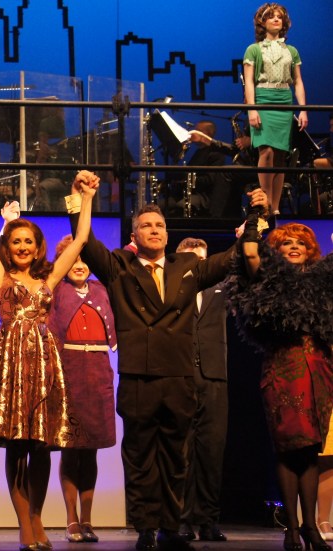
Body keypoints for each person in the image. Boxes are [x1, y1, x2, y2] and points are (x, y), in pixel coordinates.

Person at [66, 183, 268, 550]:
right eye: (146, 225)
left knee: (176, 458)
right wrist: (80, 198)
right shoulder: (119, 266)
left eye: (159, 225)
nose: (154, 230)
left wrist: (256, 216)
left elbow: (233, 258)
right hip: (139, 379)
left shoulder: (187, 266)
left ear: (167, 234)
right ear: (134, 235)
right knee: (140, 458)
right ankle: (145, 526)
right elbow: (86, 242)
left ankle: (171, 528)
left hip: (178, 377)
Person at [0, 171, 97, 550]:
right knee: (16, 446)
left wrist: (85, 198)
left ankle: (38, 516)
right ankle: (24, 523)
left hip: (43, 364)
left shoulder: (48, 279)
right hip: (10, 363)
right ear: (7, 247)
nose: (23, 246)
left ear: (38, 247)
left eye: (29, 241)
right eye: (16, 241)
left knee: (41, 445)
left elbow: (81, 240)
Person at [227, 221, 333, 551]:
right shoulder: (266, 278)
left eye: (301, 242)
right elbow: (250, 255)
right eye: (287, 242)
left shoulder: (321, 281)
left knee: (311, 450)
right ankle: (292, 529)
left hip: (319, 368)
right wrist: (255, 220)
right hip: (283, 369)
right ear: (276, 250)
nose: (295, 246)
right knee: (288, 447)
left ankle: (310, 527)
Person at [44, 233, 117, 544]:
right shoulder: (56, 289)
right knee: (70, 447)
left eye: (84, 260)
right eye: (73, 259)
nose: (79, 265)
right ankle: (71, 519)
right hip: (69, 370)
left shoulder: (103, 289)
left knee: (92, 450)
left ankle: (87, 519)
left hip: (98, 372)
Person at [174, 238, 228, 543]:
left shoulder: (221, 287)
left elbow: (246, 269)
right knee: (181, 453)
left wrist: (250, 236)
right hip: (180, 376)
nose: (196, 265)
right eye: (189, 259)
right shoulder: (170, 289)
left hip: (214, 377)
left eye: (200, 260)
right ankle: (182, 519)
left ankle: (209, 520)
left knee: (212, 450)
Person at [243, 2, 307, 215]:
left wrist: (303, 109)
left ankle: (276, 207)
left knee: (280, 156)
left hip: (284, 101)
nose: (276, 19)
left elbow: (297, 81)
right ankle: (266, 203)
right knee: (267, 151)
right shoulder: (254, 49)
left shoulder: (292, 51)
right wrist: (252, 109)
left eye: (279, 16)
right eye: (271, 16)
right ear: (263, 22)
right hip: (263, 99)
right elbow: (249, 81)